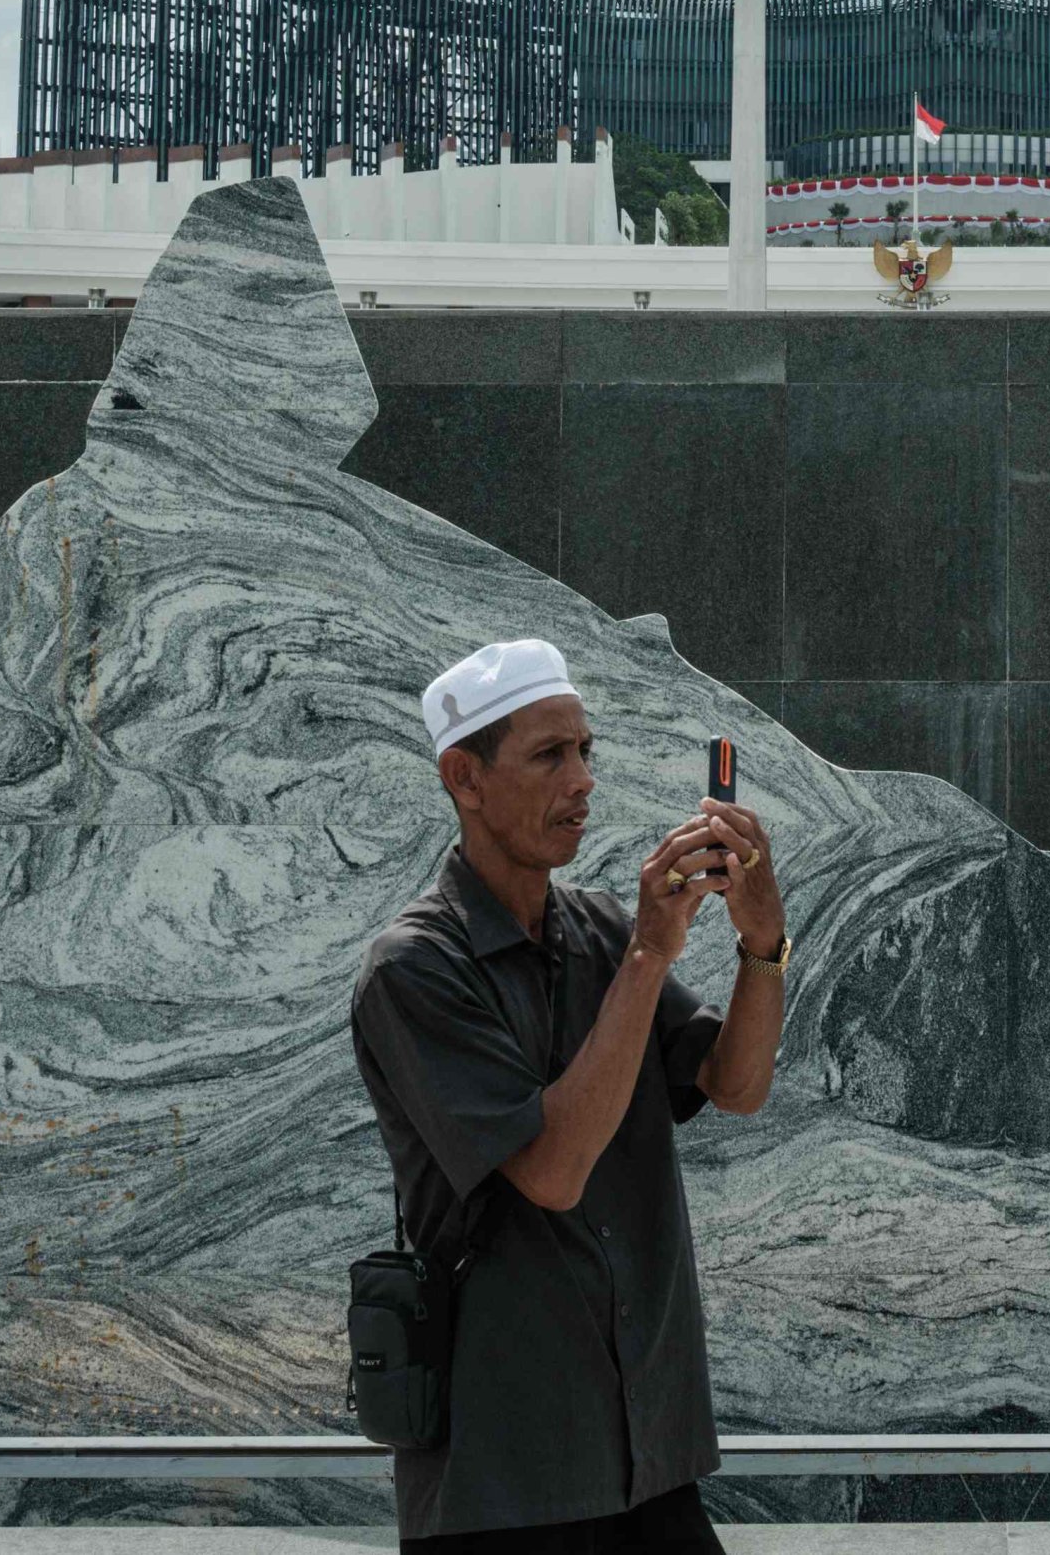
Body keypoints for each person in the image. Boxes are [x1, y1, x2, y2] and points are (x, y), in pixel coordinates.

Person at [353, 640, 790, 1555]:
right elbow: (550, 1173)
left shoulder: (599, 930)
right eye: (551, 756)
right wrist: (649, 956)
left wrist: (761, 945)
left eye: (587, 751)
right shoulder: (414, 968)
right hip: (506, 1479)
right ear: (463, 778)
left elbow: (737, 1086)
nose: (583, 781)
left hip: (649, 1460)